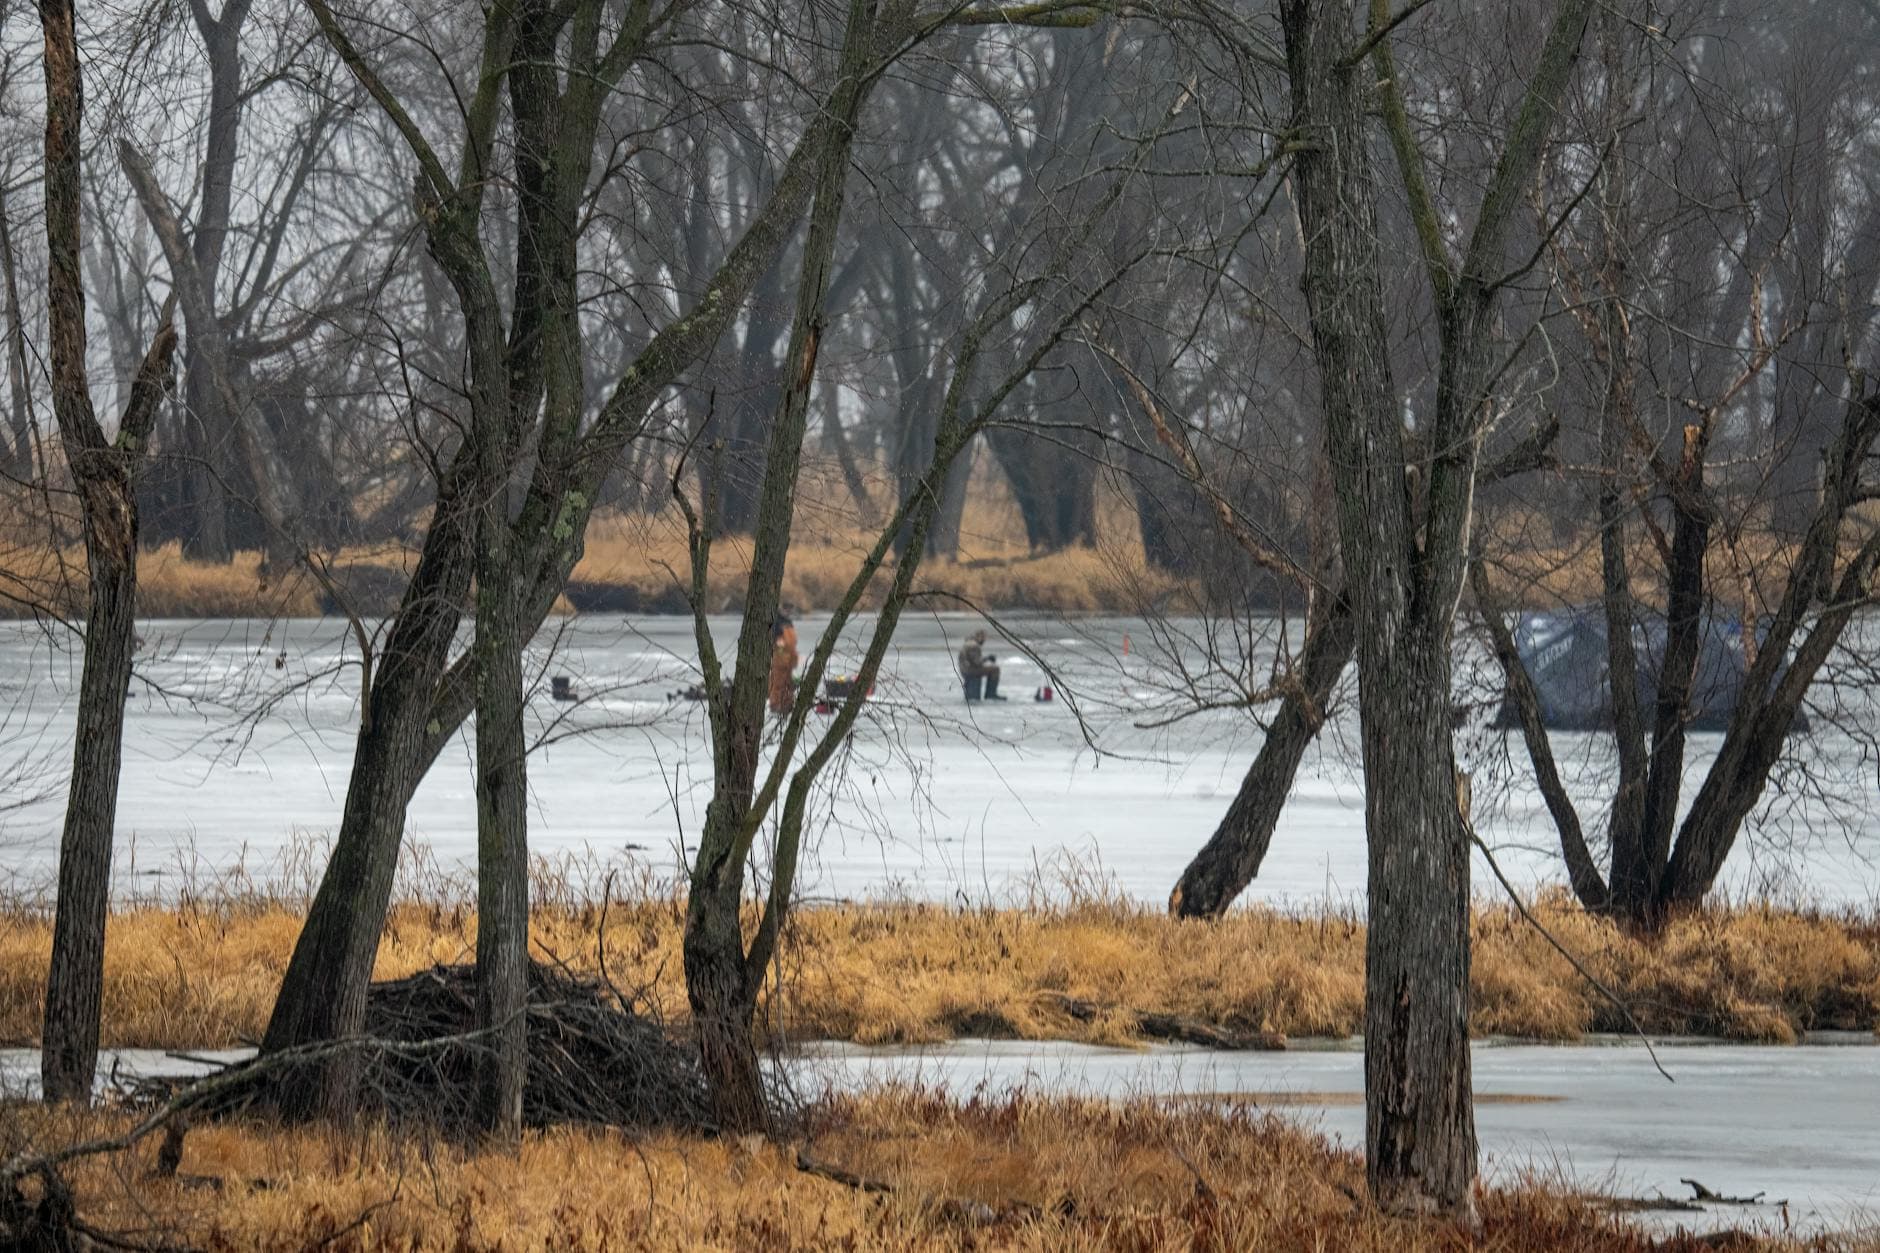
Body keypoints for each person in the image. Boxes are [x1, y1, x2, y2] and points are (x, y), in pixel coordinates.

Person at [958, 629, 1005, 700]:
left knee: (989, 668)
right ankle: (991, 694)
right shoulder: (974, 646)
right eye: (984, 638)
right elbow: (977, 663)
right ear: (979, 637)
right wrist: (988, 658)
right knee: (995, 669)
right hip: (970, 671)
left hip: (965, 670)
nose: (984, 640)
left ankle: (988, 694)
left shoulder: (968, 643)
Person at [768, 612, 799, 715]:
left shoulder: (778, 630)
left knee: (777, 684)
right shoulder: (789, 627)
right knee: (787, 683)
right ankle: (786, 704)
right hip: (789, 660)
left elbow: (780, 648)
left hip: (781, 661)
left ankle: (777, 705)